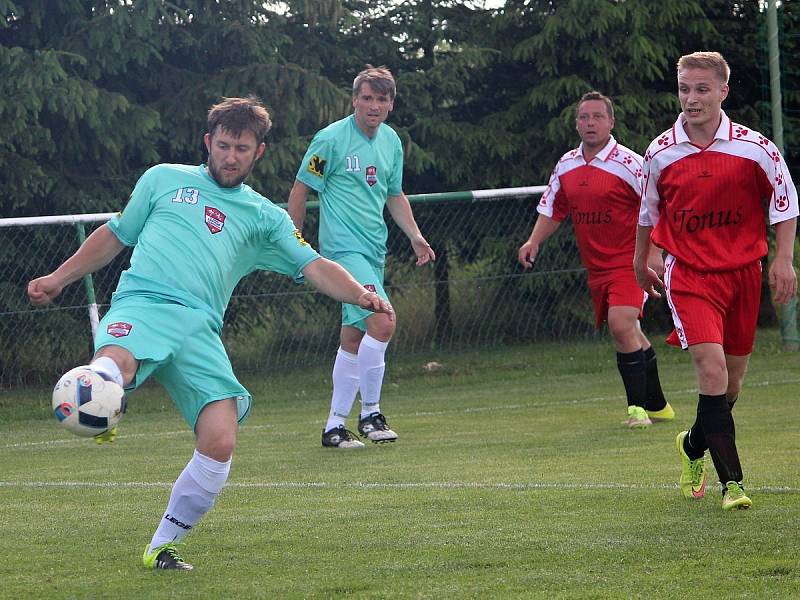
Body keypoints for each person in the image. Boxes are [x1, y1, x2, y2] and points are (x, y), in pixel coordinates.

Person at [27, 96, 394, 570]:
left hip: (201, 328)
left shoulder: (266, 217)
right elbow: (116, 234)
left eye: (242, 148)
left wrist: (360, 295)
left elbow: (317, 266)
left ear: (258, 152)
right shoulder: (163, 179)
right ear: (208, 142)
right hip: (145, 303)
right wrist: (58, 278)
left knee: (220, 440)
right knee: (116, 360)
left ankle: (161, 546)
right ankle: (100, 395)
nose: (230, 156)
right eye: (223, 145)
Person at [634, 51, 798, 510]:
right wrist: (638, 260)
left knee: (731, 386)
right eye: (685, 89)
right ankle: (734, 485)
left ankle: (691, 446)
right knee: (711, 370)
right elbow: (647, 215)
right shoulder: (660, 152)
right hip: (688, 275)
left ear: (723, 91)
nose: (691, 98)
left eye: (702, 89)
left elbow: (785, 205)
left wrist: (783, 260)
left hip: (743, 275)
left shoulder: (755, 147)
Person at [287, 65, 435, 449]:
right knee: (383, 321)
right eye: (366, 97)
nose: (373, 105)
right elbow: (301, 190)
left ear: (391, 105)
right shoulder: (331, 139)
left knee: (354, 336)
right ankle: (370, 414)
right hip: (342, 251)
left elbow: (394, 195)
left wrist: (415, 237)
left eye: (381, 99)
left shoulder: (390, 142)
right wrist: (295, 244)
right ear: (354, 100)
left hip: (374, 249)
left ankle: (334, 427)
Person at [518, 91, 674, 429]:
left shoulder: (631, 163)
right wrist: (533, 241)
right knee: (629, 330)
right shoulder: (567, 164)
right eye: (584, 118)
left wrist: (655, 252)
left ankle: (637, 411)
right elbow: (553, 208)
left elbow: (657, 208)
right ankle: (659, 405)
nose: (590, 123)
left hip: (631, 262)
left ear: (611, 122)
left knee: (621, 325)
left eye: (597, 117)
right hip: (597, 267)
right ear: (577, 124)